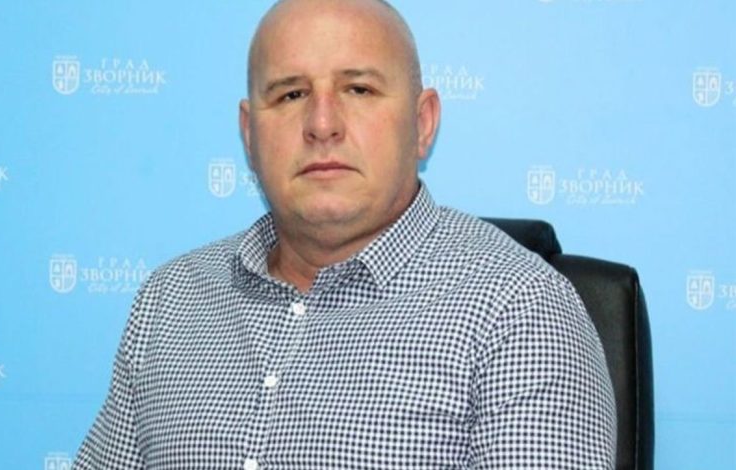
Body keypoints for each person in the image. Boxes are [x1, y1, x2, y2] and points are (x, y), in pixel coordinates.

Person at [73, 0, 616, 468]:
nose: (322, 124)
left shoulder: (518, 311)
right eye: (290, 95)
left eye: (358, 89)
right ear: (249, 135)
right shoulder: (171, 298)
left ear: (423, 123)